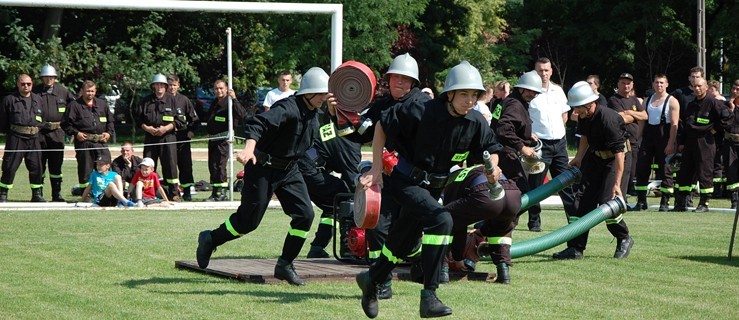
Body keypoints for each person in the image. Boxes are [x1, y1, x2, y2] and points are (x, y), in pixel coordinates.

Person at [355, 61, 502, 319]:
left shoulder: (476, 121)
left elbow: (492, 148)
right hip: (405, 181)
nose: (470, 101)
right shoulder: (419, 108)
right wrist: (376, 169)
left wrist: (494, 169)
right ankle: (429, 296)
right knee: (441, 218)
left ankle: (371, 279)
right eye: (464, 94)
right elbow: (381, 126)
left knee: (400, 243)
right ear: (450, 94)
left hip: (433, 188)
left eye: (474, 95)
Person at [196, 67, 335, 286]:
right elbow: (257, 123)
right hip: (262, 167)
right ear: (308, 92)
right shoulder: (287, 108)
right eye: (321, 93)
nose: (324, 98)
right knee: (248, 222)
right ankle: (211, 238)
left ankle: (285, 264)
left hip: (290, 170)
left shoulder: (315, 113)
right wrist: (250, 148)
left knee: (305, 215)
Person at [333, 53, 430, 299]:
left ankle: (428, 267)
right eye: (395, 77)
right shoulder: (383, 105)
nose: (399, 82)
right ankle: (380, 282)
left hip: (418, 181)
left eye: (405, 79)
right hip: (388, 177)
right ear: (389, 79)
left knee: (410, 233)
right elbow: (359, 134)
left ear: (413, 82)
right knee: (377, 226)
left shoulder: (421, 104)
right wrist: (339, 114)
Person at [552, 81, 634, 260]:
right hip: (595, 158)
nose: (575, 112)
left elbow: (620, 154)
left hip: (615, 160)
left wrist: (617, 185)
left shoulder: (608, 118)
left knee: (608, 202)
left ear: (589, 104)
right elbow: (585, 137)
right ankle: (575, 248)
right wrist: (579, 158)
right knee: (580, 203)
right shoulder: (584, 116)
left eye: (577, 108)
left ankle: (623, 237)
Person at [299, 108, 361, 258]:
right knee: (346, 198)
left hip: (304, 166)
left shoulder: (340, 129)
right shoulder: (350, 143)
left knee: (331, 206)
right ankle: (347, 248)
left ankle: (317, 248)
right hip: (310, 169)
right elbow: (353, 182)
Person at [443, 165, 521, 284]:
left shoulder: (452, 181)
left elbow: (456, 226)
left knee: (442, 218)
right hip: (513, 194)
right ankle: (503, 271)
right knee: (501, 232)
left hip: (486, 192)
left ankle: (442, 271)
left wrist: (458, 259)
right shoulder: (471, 169)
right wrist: (482, 231)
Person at [526, 57, 574, 232]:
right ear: (535, 72)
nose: (544, 73)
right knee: (535, 186)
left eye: (546, 70)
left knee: (565, 183)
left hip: (559, 144)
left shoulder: (558, 91)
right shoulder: (530, 92)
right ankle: (534, 222)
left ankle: (573, 219)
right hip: (540, 145)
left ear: (551, 71)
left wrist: (559, 131)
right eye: (540, 70)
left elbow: (565, 115)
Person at [672, 78, 733, 212]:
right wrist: (682, 143)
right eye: (695, 86)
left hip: (705, 142)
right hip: (690, 142)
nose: (697, 88)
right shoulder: (691, 103)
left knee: (704, 172)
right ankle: (682, 202)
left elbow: (728, 118)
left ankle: (704, 203)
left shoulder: (713, 102)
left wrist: (715, 130)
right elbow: (685, 125)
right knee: (685, 172)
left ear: (706, 87)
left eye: (700, 86)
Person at [495, 70, 542, 211]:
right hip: (504, 153)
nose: (532, 95)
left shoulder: (511, 101)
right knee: (521, 191)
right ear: (520, 88)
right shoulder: (515, 105)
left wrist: (527, 135)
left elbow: (511, 125)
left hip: (498, 151)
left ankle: (487, 226)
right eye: (529, 91)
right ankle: (488, 227)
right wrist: (522, 147)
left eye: (535, 92)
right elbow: (503, 129)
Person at [633, 74, 680, 211]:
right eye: (656, 82)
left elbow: (674, 124)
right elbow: (642, 121)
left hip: (664, 136)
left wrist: (671, 143)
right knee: (642, 168)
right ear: (653, 84)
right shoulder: (647, 100)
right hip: (648, 136)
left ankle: (665, 202)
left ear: (667, 84)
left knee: (665, 169)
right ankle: (641, 201)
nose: (659, 85)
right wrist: (638, 138)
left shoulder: (672, 101)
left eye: (661, 83)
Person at [61, 80, 115, 199]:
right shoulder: (74, 106)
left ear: (95, 91)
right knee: (85, 169)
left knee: (105, 166)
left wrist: (109, 133)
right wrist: (76, 133)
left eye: (92, 91)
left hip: (101, 142)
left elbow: (110, 121)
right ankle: (86, 194)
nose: (90, 93)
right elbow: (65, 124)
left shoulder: (102, 104)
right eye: (87, 91)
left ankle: (107, 193)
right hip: (84, 142)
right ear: (82, 91)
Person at [136, 73, 184, 201]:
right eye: (157, 85)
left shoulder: (173, 100)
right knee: (148, 165)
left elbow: (180, 120)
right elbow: (138, 120)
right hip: (150, 138)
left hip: (168, 137)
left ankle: (174, 193)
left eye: (162, 85)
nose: (159, 88)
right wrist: (147, 128)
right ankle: (147, 193)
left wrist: (166, 128)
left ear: (166, 86)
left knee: (170, 165)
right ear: (153, 86)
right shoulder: (145, 101)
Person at [0, 74, 46, 202]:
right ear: (18, 84)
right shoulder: (9, 100)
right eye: (23, 84)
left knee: (36, 166)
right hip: (16, 138)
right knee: (10, 166)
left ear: (32, 84)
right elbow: (3, 121)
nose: (26, 86)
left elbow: (43, 118)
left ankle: (36, 194)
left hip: (34, 138)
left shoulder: (38, 99)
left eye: (29, 84)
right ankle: (3, 194)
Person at [33, 64, 75, 202]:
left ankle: (56, 194)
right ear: (41, 78)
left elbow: (74, 108)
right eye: (46, 77)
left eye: (51, 77)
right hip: (39, 133)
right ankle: (37, 194)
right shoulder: (34, 91)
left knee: (56, 165)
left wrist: (71, 130)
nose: (49, 79)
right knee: (39, 164)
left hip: (57, 133)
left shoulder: (63, 91)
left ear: (55, 78)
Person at [607, 73, 647, 208]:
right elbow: (620, 118)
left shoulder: (635, 100)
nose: (626, 85)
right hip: (621, 141)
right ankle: (619, 199)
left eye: (628, 83)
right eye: (623, 83)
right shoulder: (614, 100)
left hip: (634, 142)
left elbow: (644, 116)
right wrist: (633, 116)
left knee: (630, 173)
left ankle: (623, 198)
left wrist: (629, 112)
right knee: (620, 171)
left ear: (632, 85)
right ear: (618, 84)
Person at [205, 79, 246, 201]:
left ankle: (222, 192)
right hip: (213, 139)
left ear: (227, 88)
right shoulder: (215, 102)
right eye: (216, 88)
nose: (219, 91)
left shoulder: (229, 102)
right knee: (212, 165)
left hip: (223, 139)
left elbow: (242, 114)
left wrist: (234, 98)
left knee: (220, 165)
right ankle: (215, 192)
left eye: (221, 88)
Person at [168, 74, 200, 201]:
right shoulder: (163, 99)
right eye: (170, 85)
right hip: (168, 138)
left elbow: (195, 119)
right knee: (170, 165)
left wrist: (189, 134)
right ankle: (173, 192)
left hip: (183, 139)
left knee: (185, 165)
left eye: (174, 85)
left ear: (178, 86)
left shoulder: (184, 100)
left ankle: (187, 191)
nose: (172, 88)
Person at [722, 80, 739, 209]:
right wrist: (731, 109)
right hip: (730, 142)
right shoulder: (725, 105)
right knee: (731, 171)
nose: (734, 92)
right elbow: (724, 123)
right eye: (733, 89)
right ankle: (734, 200)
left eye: (737, 89)